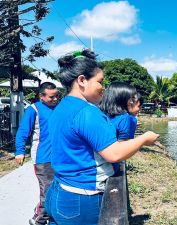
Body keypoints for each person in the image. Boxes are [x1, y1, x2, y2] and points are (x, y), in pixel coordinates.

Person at [44, 49, 159, 225]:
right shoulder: (87, 112)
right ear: (82, 80)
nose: (103, 87)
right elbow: (114, 154)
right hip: (82, 198)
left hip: (58, 191)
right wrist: (144, 139)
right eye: (100, 81)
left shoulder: (62, 107)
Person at [15, 82, 59, 225]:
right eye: (51, 97)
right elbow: (22, 131)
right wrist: (20, 151)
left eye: (56, 96)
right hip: (43, 158)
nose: (55, 99)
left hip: (60, 157)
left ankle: (41, 210)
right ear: (41, 96)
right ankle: (39, 220)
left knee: (57, 189)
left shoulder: (59, 108)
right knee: (47, 191)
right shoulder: (34, 109)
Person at [99, 82, 143, 172]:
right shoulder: (125, 117)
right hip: (111, 167)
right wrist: (144, 139)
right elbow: (123, 149)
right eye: (130, 99)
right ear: (121, 98)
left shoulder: (99, 113)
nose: (131, 102)